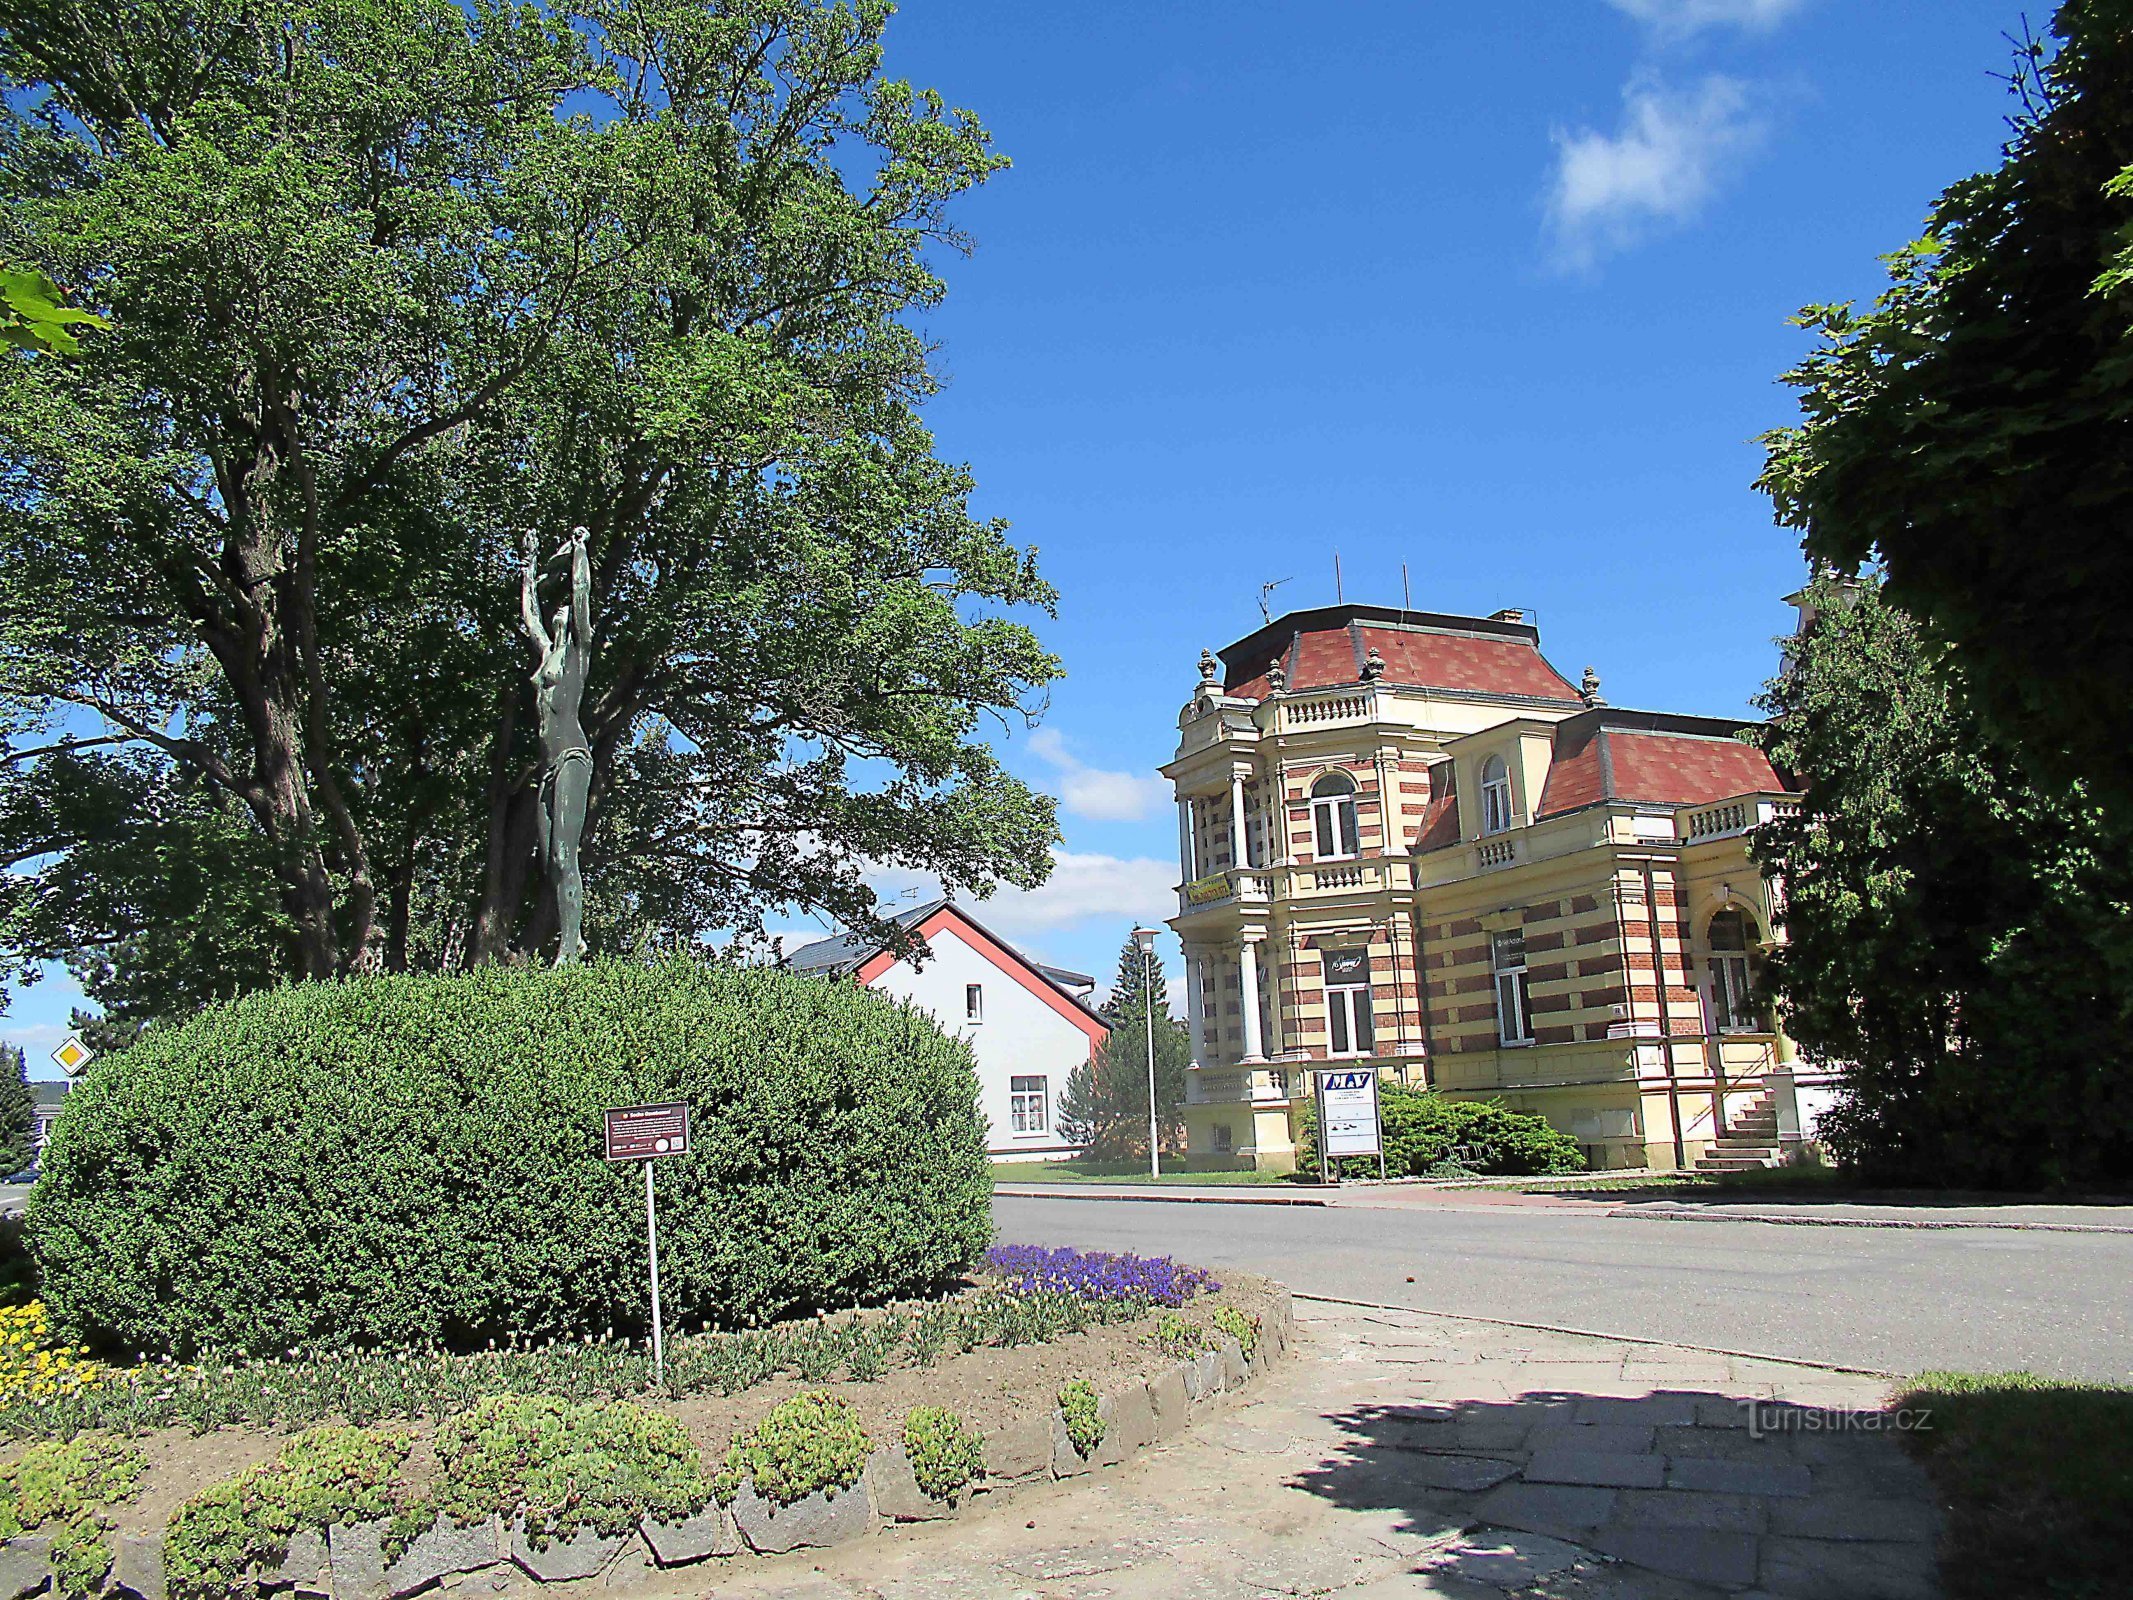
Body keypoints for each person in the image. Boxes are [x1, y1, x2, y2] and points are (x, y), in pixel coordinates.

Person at [521, 525, 593, 965]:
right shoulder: (547, 651)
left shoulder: (580, 653)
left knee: (566, 854)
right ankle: (571, 936)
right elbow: (528, 613)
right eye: (559, 610)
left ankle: (570, 948)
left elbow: (581, 594)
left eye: (568, 610)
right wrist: (528, 565)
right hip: (546, 766)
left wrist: (579, 553)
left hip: (571, 757)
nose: (562, 610)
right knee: (549, 860)